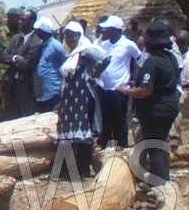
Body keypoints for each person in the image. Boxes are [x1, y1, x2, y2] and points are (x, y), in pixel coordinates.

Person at [120, 22, 180, 184]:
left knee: (154, 146)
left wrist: (126, 91)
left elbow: (146, 91)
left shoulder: (152, 62)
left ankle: (159, 183)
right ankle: (160, 178)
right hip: (169, 106)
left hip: (155, 110)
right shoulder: (171, 58)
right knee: (160, 143)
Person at [56, 21, 109, 180]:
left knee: (83, 134)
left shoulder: (86, 50)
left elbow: (105, 58)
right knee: (68, 134)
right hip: (69, 100)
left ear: (79, 36)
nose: (69, 39)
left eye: (72, 36)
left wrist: (94, 75)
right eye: (67, 36)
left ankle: (82, 169)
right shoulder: (70, 54)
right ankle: (68, 170)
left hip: (82, 97)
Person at [97, 15, 143, 148]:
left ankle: (122, 150)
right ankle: (106, 151)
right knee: (106, 123)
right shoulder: (103, 45)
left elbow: (140, 61)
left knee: (120, 123)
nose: (103, 31)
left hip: (119, 91)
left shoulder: (128, 45)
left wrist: (134, 80)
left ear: (115, 30)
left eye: (107, 29)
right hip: (103, 89)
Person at [0, 10, 43, 119]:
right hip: (11, 84)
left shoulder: (36, 41)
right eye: (19, 19)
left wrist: (13, 58)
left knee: (27, 117)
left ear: (32, 22)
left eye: (23, 20)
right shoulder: (16, 38)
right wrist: (15, 58)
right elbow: (3, 56)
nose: (19, 22)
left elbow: (27, 64)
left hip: (27, 87)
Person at [170, 30, 189, 144]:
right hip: (174, 88)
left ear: (187, 43)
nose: (179, 45)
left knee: (175, 107)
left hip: (188, 90)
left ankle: (175, 138)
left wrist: (178, 84)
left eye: (182, 43)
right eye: (178, 42)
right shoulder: (173, 54)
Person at [33, 18, 66, 113]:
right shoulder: (41, 45)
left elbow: (64, 64)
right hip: (41, 91)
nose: (36, 32)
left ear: (44, 31)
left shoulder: (56, 46)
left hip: (53, 90)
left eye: (38, 30)